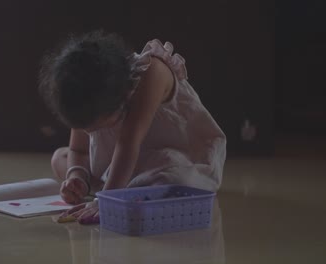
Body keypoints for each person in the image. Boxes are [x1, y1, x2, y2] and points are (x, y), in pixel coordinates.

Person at [38, 31, 226, 224]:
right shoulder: (84, 91)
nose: (89, 134)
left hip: (170, 157)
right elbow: (78, 149)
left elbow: (128, 143)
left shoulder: (152, 72)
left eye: (97, 127)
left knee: (175, 178)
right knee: (60, 158)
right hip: (121, 163)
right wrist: (77, 179)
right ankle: (118, 185)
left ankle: (114, 187)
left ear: (120, 102)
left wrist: (106, 201)